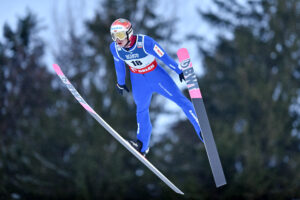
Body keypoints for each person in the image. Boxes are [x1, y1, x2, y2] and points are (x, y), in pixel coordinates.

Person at [109, 18, 203, 156]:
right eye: (114, 36)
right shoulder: (115, 48)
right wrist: (120, 82)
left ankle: (201, 129)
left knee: (180, 100)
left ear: (129, 33)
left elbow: (163, 56)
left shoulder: (145, 42)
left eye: (121, 35)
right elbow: (119, 66)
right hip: (138, 80)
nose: (118, 40)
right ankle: (142, 145)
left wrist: (178, 70)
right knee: (141, 110)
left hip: (155, 75)